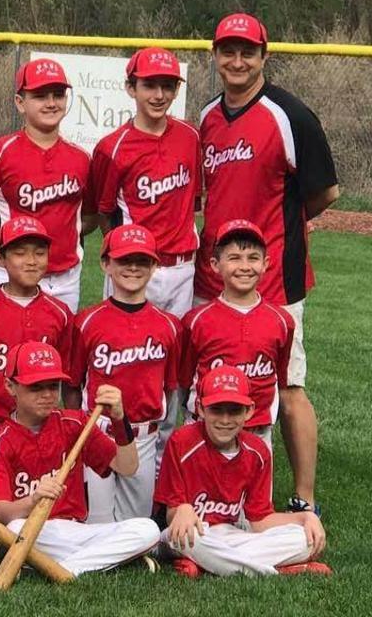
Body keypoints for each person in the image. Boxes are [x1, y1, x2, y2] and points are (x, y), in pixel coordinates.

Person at [196, 13, 337, 513]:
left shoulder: (290, 115)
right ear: (215, 55)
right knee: (213, 380)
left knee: (287, 384)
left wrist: (281, 230)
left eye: (248, 52)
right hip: (213, 275)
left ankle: (304, 497)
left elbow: (323, 192)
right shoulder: (208, 116)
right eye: (228, 51)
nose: (237, 61)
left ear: (264, 55)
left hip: (274, 275)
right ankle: (210, 488)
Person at [0, 342, 160, 575]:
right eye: (36, 387)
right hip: (33, 530)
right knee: (15, 529)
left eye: (53, 386)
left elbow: (127, 467)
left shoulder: (74, 423)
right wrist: (33, 499)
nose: (47, 395)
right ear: (10, 386)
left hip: (77, 530)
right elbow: (0, 513)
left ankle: (62, 569)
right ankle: (102, 562)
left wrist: (119, 419)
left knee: (148, 529)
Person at [155, 365, 329, 578]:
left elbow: (260, 520)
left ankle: (209, 565)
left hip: (231, 535)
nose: (225, 420)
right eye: (216, 409)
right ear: (200, 408)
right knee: (190, 539)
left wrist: (304, 518)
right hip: (191, 533)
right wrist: (181, 508)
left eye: (234, 411)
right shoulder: (182, 442)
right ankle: (274, 571)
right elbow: (172, 515)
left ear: (249, 411)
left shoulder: (258, 451)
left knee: (304, 538)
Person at [0, 216, 73, 512]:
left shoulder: (59, 313)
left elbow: (64, 375)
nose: (31, 261)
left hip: (34, 433)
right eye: (20, 253)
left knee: (27, 516)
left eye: (39, 252)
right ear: (0, 259)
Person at [0, 58, 94, 312]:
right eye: (40, 96)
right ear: (20, 102)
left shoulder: (81, 158)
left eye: (58, 94)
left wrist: (66, 237)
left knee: (59, 339)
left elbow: (90, 217)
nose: (51, 103)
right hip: (8, 275)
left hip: (65, 278)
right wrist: (6, 244)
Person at [69, 224, 182, 522]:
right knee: (98, 522)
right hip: (99, 432)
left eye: (142, 261)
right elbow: (73, 385)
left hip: (143, 436)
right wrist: (79, 430)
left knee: (137, 525)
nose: (133, 267)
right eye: (123, 260)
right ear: (106, 264)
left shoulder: (169, 326)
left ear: (155, 266)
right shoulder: (87, 322)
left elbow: (170, 387)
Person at [88, 47, 200, 316]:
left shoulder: (191, 136)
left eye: (168, 86)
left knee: (177, 342)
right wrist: (125, 256)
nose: (159, 95)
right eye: (149, 85)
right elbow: (104, 214)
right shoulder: (111, 148)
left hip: (183, 268)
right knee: (124, 340)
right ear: (131, 88)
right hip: (135, 266)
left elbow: (193, 201)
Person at [180, 220, 293, 449]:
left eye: (253, 258)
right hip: (205, 428)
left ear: (266, 264)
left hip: (257, 432)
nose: (244, 266)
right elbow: (184, 380)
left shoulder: (282, 321)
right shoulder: (197, 321)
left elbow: (279, 378)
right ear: (215, 265)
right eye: (234, 258)